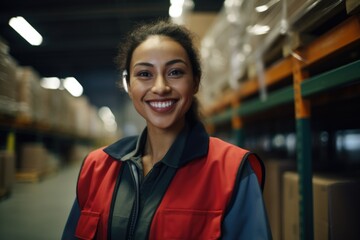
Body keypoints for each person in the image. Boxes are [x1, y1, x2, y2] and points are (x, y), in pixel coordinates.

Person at [62, 20, 272, 240]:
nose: (160, 87)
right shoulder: (97, 167)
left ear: (195, 82)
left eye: (175, 72)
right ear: (128, 84)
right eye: (144, 74)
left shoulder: (233, 170)